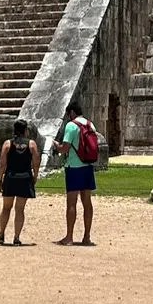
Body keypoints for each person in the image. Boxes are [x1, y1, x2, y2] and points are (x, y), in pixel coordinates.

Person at [52, 102, 97, 245]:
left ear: (71, 112)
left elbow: (65, 148)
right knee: (87, 203)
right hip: (88, 166)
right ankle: (87, 237)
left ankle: (69, 237)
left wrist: (56, 146)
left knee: (71, 202)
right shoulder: (90, 125)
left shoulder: (71, 126)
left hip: (74, 167)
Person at [0, 118, 38, 246]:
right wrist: (35, 176)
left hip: (11, 177)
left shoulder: (8, 144)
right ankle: (16, 237)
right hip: (25, 178)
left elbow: (2, 164)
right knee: (20, 209)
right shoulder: (31, 144)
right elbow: (36, 163)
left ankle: (1, 234)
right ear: (25, 130)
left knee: (6, 208)